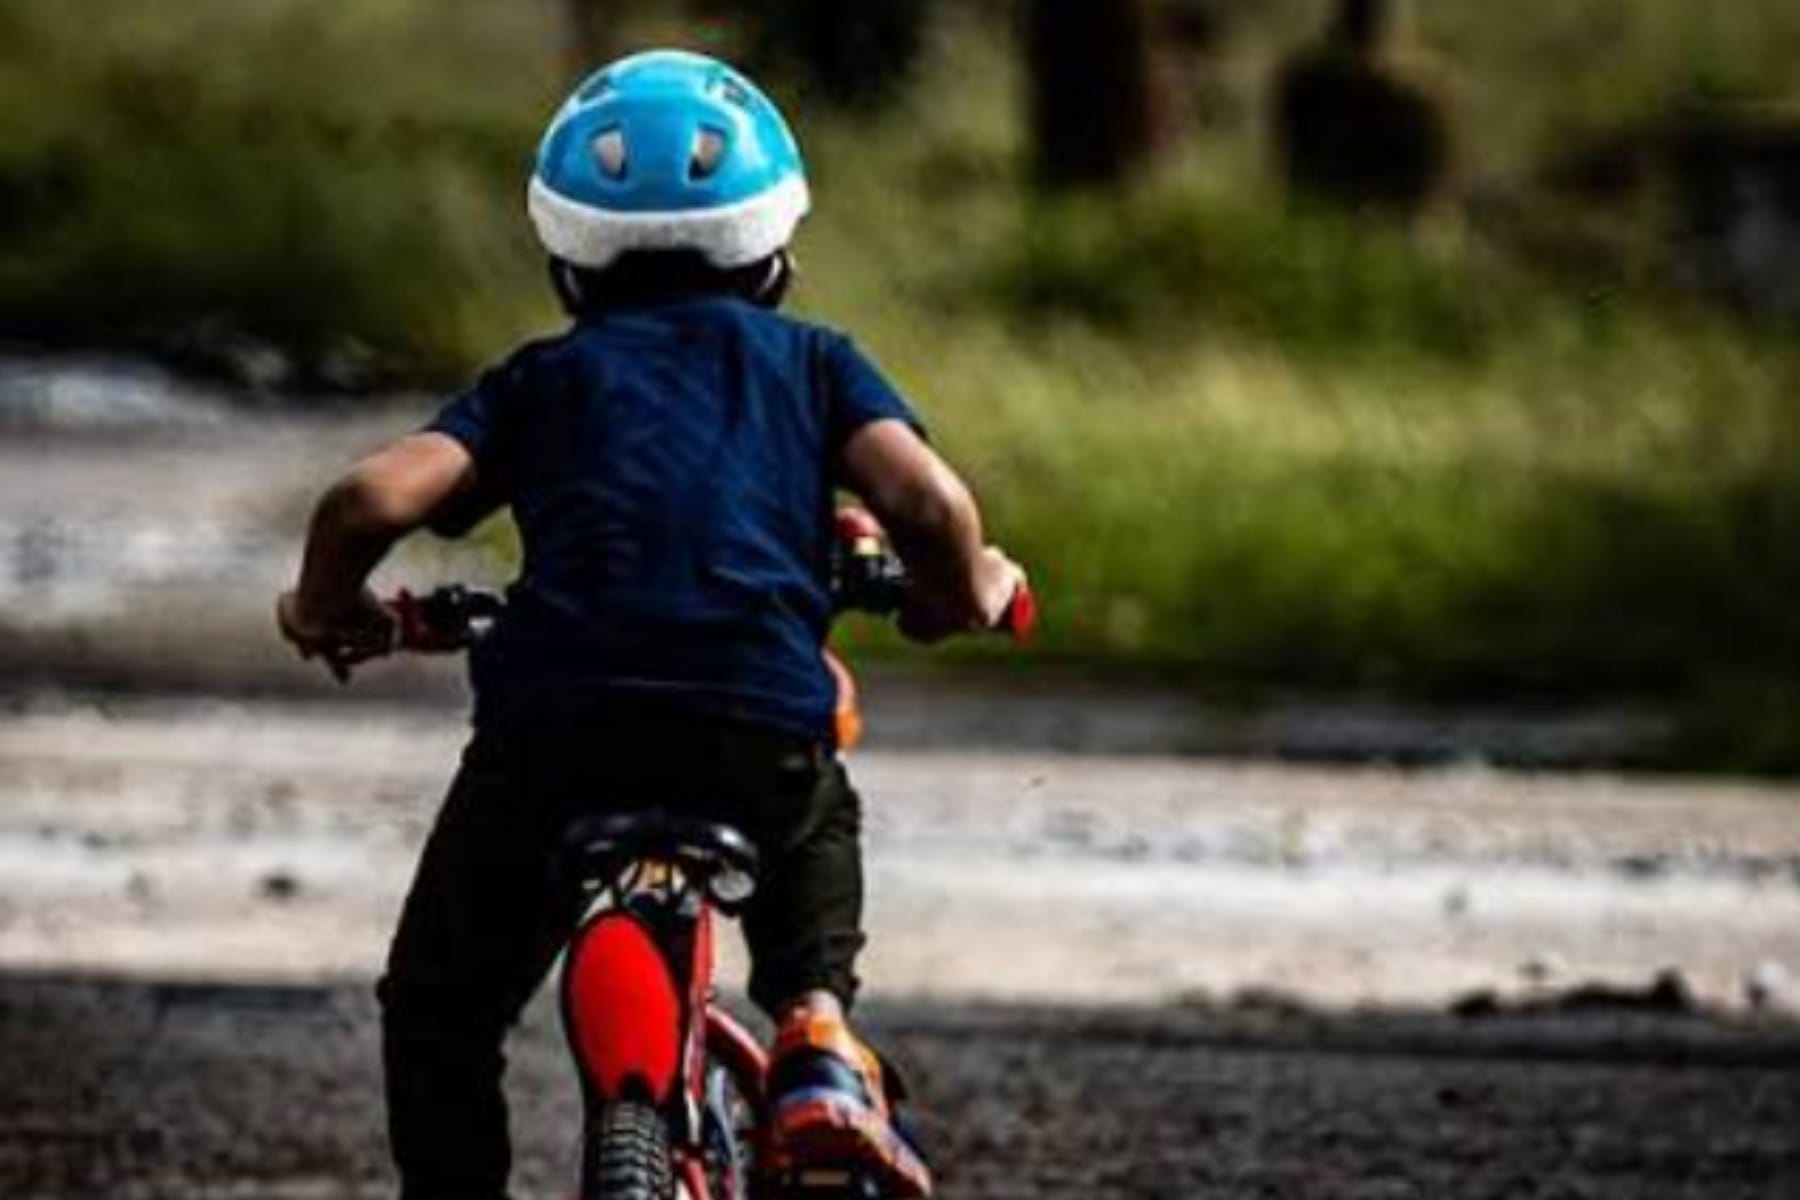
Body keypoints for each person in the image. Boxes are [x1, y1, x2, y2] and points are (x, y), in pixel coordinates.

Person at [275, 48, 1024, 1200]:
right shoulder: (817, 366)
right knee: (811, 791)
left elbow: (371, 499)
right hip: (749, 725)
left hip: (557, 738)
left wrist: (327, 607)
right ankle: (818, 1034)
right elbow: (929, 503)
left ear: (567, 256)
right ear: (774, 247)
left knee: (441, 1009)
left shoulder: (541, 383)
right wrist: (959, 589)